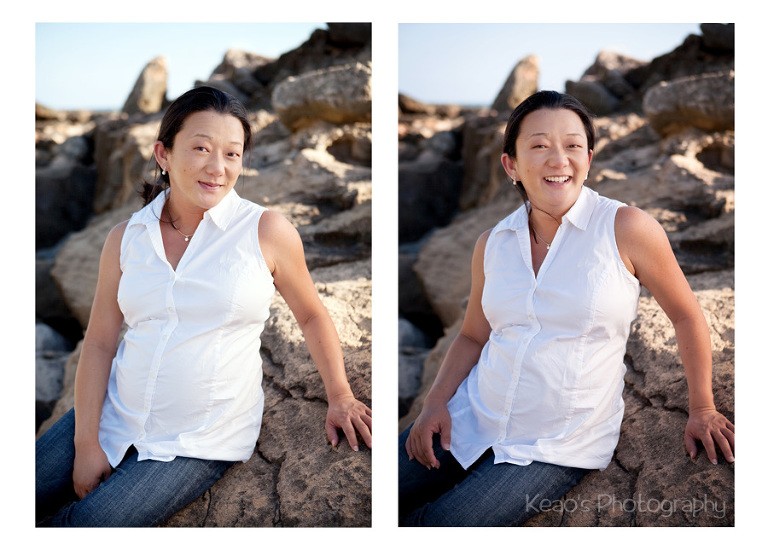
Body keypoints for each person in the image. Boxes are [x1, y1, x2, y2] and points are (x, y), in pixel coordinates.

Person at [36, 86, 373, 527]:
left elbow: (310, 314)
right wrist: (86, 445)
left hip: (197, 441)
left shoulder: (266, 231)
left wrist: (340, 395)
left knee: (82, 527)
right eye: (200, 148)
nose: (218, 168)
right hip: (112, 412)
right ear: (164, 154)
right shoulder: (126, 237)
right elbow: (99, 342)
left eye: (232, 154)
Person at [398, 90, 734, 527]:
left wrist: (702, 407)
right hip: (469, 417)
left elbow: (686, 315)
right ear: (511, 165)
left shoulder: (627, 228)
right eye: (538, 145)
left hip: (555, 445)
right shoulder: (492, 243)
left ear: (589, 158)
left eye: (573, 145)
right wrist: (433, 405)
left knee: (439, 528)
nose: (558, 160)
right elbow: (472, 335)